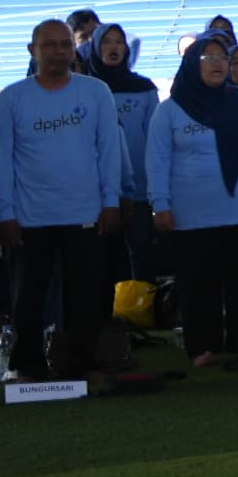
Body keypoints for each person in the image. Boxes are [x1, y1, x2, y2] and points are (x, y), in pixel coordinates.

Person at [0, 18, 125, 381]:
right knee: (27, 297)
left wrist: (111, 201)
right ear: (32, 51)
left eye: (65, 44)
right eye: (49, 45)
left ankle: (81, 362)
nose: (58, 52)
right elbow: (0, 160)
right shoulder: (11, 98)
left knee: (86, 295)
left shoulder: (96, 92)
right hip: (28, 216)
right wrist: (3, 212)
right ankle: (27, 366)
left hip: (86, 212)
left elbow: (109, 152)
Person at [150, 36, 238, 368]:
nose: (218, 63)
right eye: (208, 57)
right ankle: (202, 346)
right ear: (192, 64)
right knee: (198, 283)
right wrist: (160, 203)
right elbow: (158, 160)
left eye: (222, 57)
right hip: (191, 212)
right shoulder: (170, 109)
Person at [88, 23, 160, 287]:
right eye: (106, 42)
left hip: (139, 189)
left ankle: (144, 307)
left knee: (141, 252)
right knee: (101, 258)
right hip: (96, 190)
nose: (113, 47)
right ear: (95, 48)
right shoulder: (86, 89)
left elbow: (155, 139)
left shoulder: (143, 88)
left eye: (119, 42)